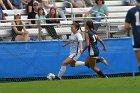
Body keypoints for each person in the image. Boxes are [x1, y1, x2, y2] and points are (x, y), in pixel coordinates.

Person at [124, 0, 140, 72]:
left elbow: (126, 26)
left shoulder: (131, 11)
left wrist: (133, 27)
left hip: (137, 37)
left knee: (139, 62)